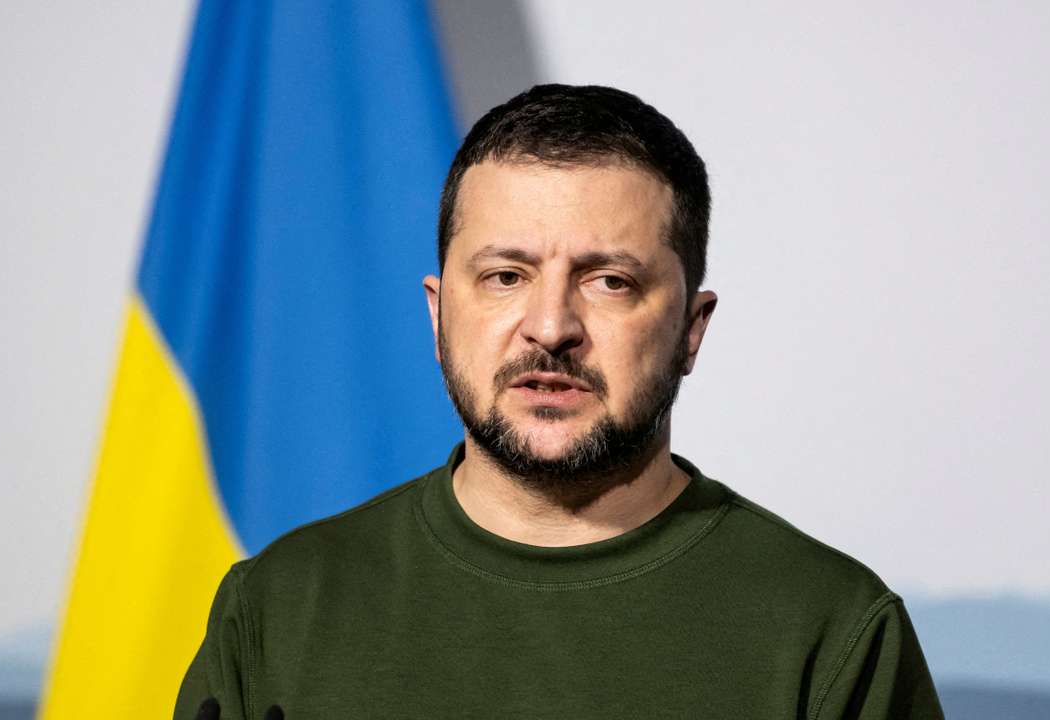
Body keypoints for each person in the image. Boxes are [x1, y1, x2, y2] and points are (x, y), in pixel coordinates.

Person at [174, 84, 945, 719]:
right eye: (506, 276)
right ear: (438, 315)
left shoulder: (834, 631)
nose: (550, 327)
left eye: (610, 281)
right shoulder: (277, 609)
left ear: (690, 328)